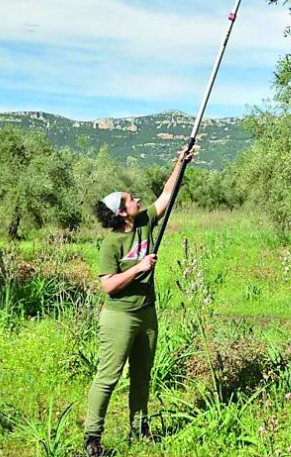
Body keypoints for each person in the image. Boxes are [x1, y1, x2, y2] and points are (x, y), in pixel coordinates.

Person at [83, 146, 196, 457]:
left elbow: (166, 196)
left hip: (147, 314)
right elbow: (108, 286)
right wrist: (139, 268)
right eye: (131, 200)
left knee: (142, 376)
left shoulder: (145, 221)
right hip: (119, 317)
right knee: (108, 377)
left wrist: (179, 164)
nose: (138, 201)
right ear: (122, 212)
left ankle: (139, 431)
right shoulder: (111, 244)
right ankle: (92, 438)